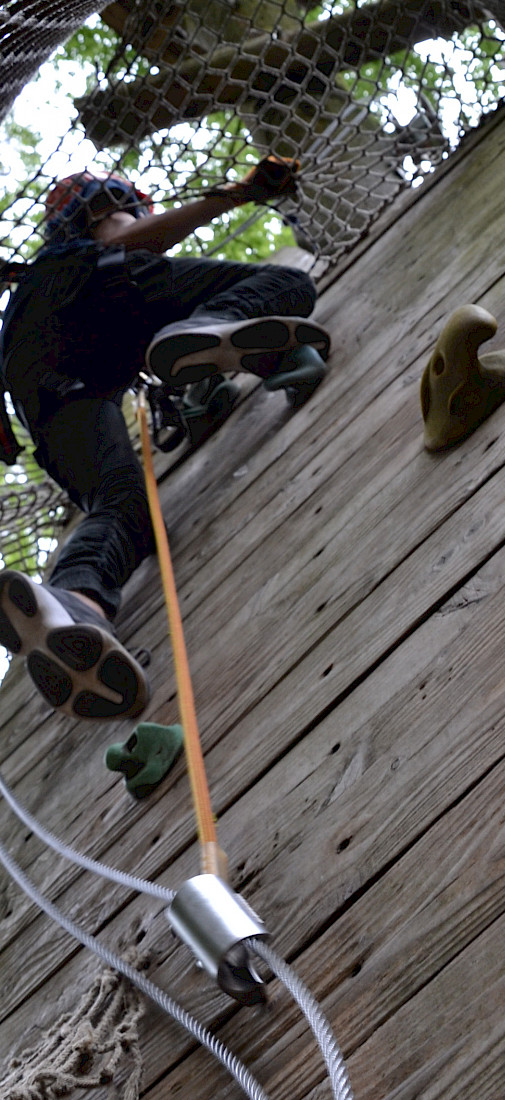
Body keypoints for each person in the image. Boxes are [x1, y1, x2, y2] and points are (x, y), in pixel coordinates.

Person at [0, 162, 330, 720]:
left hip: (39, 385)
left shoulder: (27, 293)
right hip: (104, 291)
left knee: (123, 506)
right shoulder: (96, 208)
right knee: (288, 284)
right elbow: (125, 238)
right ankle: (207, 327)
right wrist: (235, 194)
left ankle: (74, 605)